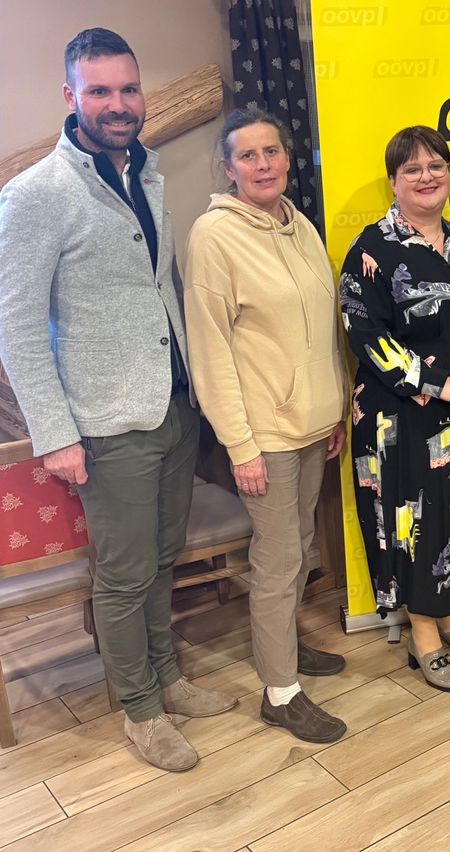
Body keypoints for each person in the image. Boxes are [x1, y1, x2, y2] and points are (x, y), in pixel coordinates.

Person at [0, 28, 237, 772]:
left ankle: (167, 676)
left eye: (128, 89)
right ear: (71, 98)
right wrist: (56, 435)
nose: (117, 104)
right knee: (126, 573)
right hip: (105, 425)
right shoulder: (36, 195)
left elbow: (153, 286)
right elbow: (16, 329)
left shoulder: (145, 172)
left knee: (163, 559)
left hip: (170, 409)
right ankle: (139, 709)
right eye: (99, 91)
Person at [184, 107, 349, 742]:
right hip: (264, 437)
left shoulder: (298, 224)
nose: (263, 165)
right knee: (278, 560)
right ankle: (280, 694)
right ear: (229, 169)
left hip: (311, 426)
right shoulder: (214, 237)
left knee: (300, 547)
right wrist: (240, 445)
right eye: (248, 156)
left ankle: (285, 651)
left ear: (287, 158)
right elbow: (211, 351)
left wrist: (331, 409)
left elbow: (322, 325)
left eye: (272, 152)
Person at [340, 126, 450, 692]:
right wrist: (439, 385)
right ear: (393, 181)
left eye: (436, 165)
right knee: (413, 523)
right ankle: (423, 634)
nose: (427, 177)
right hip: (403, 416)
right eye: (412, 169)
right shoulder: (372, 249)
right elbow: (365, 335)